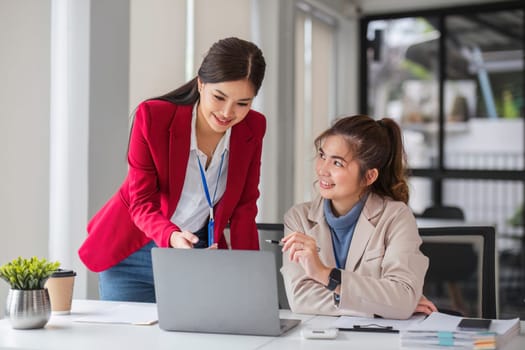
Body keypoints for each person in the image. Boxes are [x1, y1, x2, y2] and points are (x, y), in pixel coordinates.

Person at [78, 37, 266, 302]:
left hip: (196, 253)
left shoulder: (252, 128)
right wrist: (172, 236)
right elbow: (140, 202)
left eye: (242, 103)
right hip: (134, 253)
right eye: (219, 97)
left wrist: (250, 278)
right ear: (201, 83)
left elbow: (246, 207)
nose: (227, 112)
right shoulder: (153, 118)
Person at [281, 115, 437, 319]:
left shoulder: (396, 217)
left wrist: (324, 274)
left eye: (337, 163)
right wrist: (382, 306)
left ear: (369, 176)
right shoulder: (298, 218)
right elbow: (301, 299)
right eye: (322, 155)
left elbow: (402, 297)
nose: (322, 169)